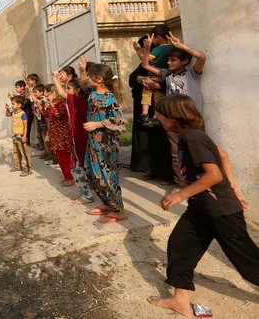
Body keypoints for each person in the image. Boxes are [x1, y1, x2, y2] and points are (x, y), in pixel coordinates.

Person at [149, 94, 258, 317]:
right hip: (201, 208)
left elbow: (214, 174)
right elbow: (224, 156)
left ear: (173, 117)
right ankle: (180, 301)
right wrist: (234, 188)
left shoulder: (192, 138)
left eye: (160, 113)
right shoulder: (190, 136)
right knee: (180, 246)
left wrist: (180, 195)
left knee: (248, 262)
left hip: (221, 212)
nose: (157, 116)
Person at [141, 32, 207, 187]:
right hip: (173, 122)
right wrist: (147, 49)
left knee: (197, 152)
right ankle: (181, 184)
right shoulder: (168, 75)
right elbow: (146, 65)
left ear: (184, 61)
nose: (169, 63)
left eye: (173, 60)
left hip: (192, 120)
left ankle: (201, 183)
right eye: (169, 60)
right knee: (176, 154)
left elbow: (202, 58)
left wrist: (181, 46)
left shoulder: (192, 74)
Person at [79, 58, 128, 223]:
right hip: (93, 143)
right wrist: (83, 70)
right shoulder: (93, 94)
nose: (88, 79)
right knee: (93, 174)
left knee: (108, 177)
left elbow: (119, 122)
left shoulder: (110, 98)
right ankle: (107, 204)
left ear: (99, 79)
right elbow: (82, 84)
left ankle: (118, 210)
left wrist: (97, 124)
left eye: (91, 76)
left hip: (105, 146)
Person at [53, 71, 91, 203]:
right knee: (80, 167)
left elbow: (62, 94)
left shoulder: (77, 100)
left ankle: (86, 195)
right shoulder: (80, 100)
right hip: (78, 139)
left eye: (69, 88)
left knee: (78, 168)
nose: (66, 91)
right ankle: (85, 193)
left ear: (78, 90)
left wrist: (55, 79)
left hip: (80, 139)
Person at [135, 24, 173, 127]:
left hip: (155, 76)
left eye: (153, 38)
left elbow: (145, 62)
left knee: (147, 92)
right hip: (167, 77)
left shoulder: (158, 49)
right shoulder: (173, 48)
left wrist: (141, 50)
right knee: (159, 97)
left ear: (158, 37)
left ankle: (145, 114)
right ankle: (157, 116)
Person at [43, 84, 75, 186]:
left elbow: (59, 115)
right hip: (56, 135)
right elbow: (46, 115)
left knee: (65, 157)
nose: (48, 95)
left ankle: (70, 177)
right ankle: (67, 176)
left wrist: (51, 105)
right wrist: (43, 106)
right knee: (60, 157)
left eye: (50, 93)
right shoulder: (53, 104)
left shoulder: (61, 104)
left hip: (63, 135)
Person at [5, 96, 32, 177]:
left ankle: (27, 169)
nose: (12, 105)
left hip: (20, 136)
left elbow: (26, 125)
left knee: (24, 153)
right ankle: (17, 166)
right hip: (14, 136)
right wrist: (7, 109)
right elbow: (8, 115)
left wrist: (24, 136)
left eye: (13, 104)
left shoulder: (23, 114)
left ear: (19, 105)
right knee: (16, 152)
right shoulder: (13, 112)